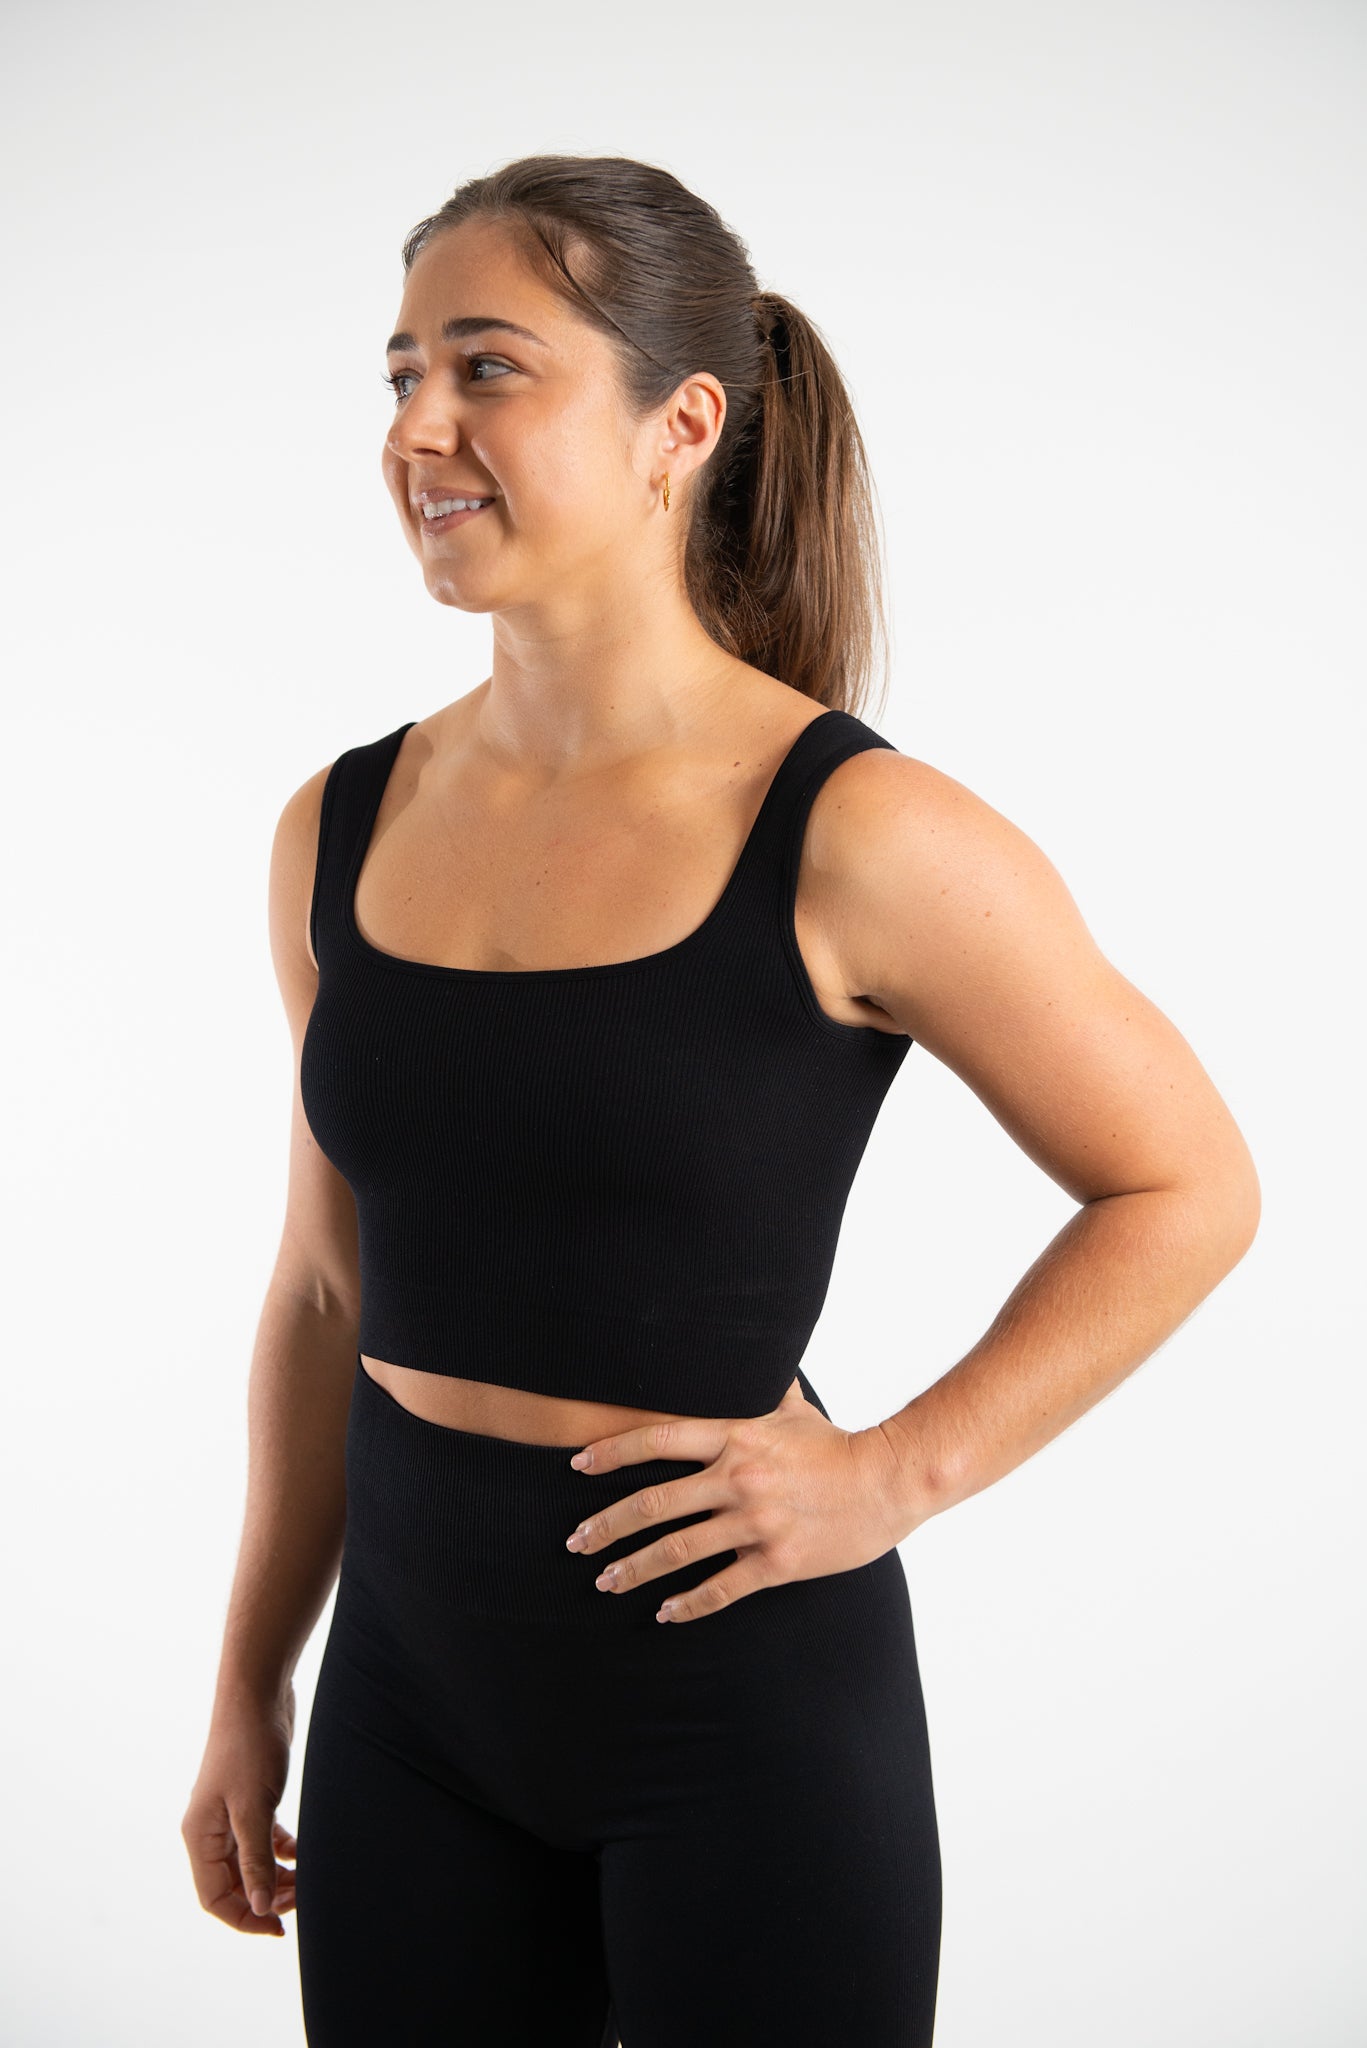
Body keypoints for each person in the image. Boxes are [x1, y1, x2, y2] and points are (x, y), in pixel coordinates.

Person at [181, 153, 1261, 2047]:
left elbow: (1186, 1185)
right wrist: (248, 1684)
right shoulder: (336, 827)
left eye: (487, 367)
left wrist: (890, 1477)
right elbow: (326, 1292)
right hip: (410, 1707)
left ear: (680, 422)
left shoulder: (863, 834)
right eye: (400, 372)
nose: (420, 426)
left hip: (735, 1713)